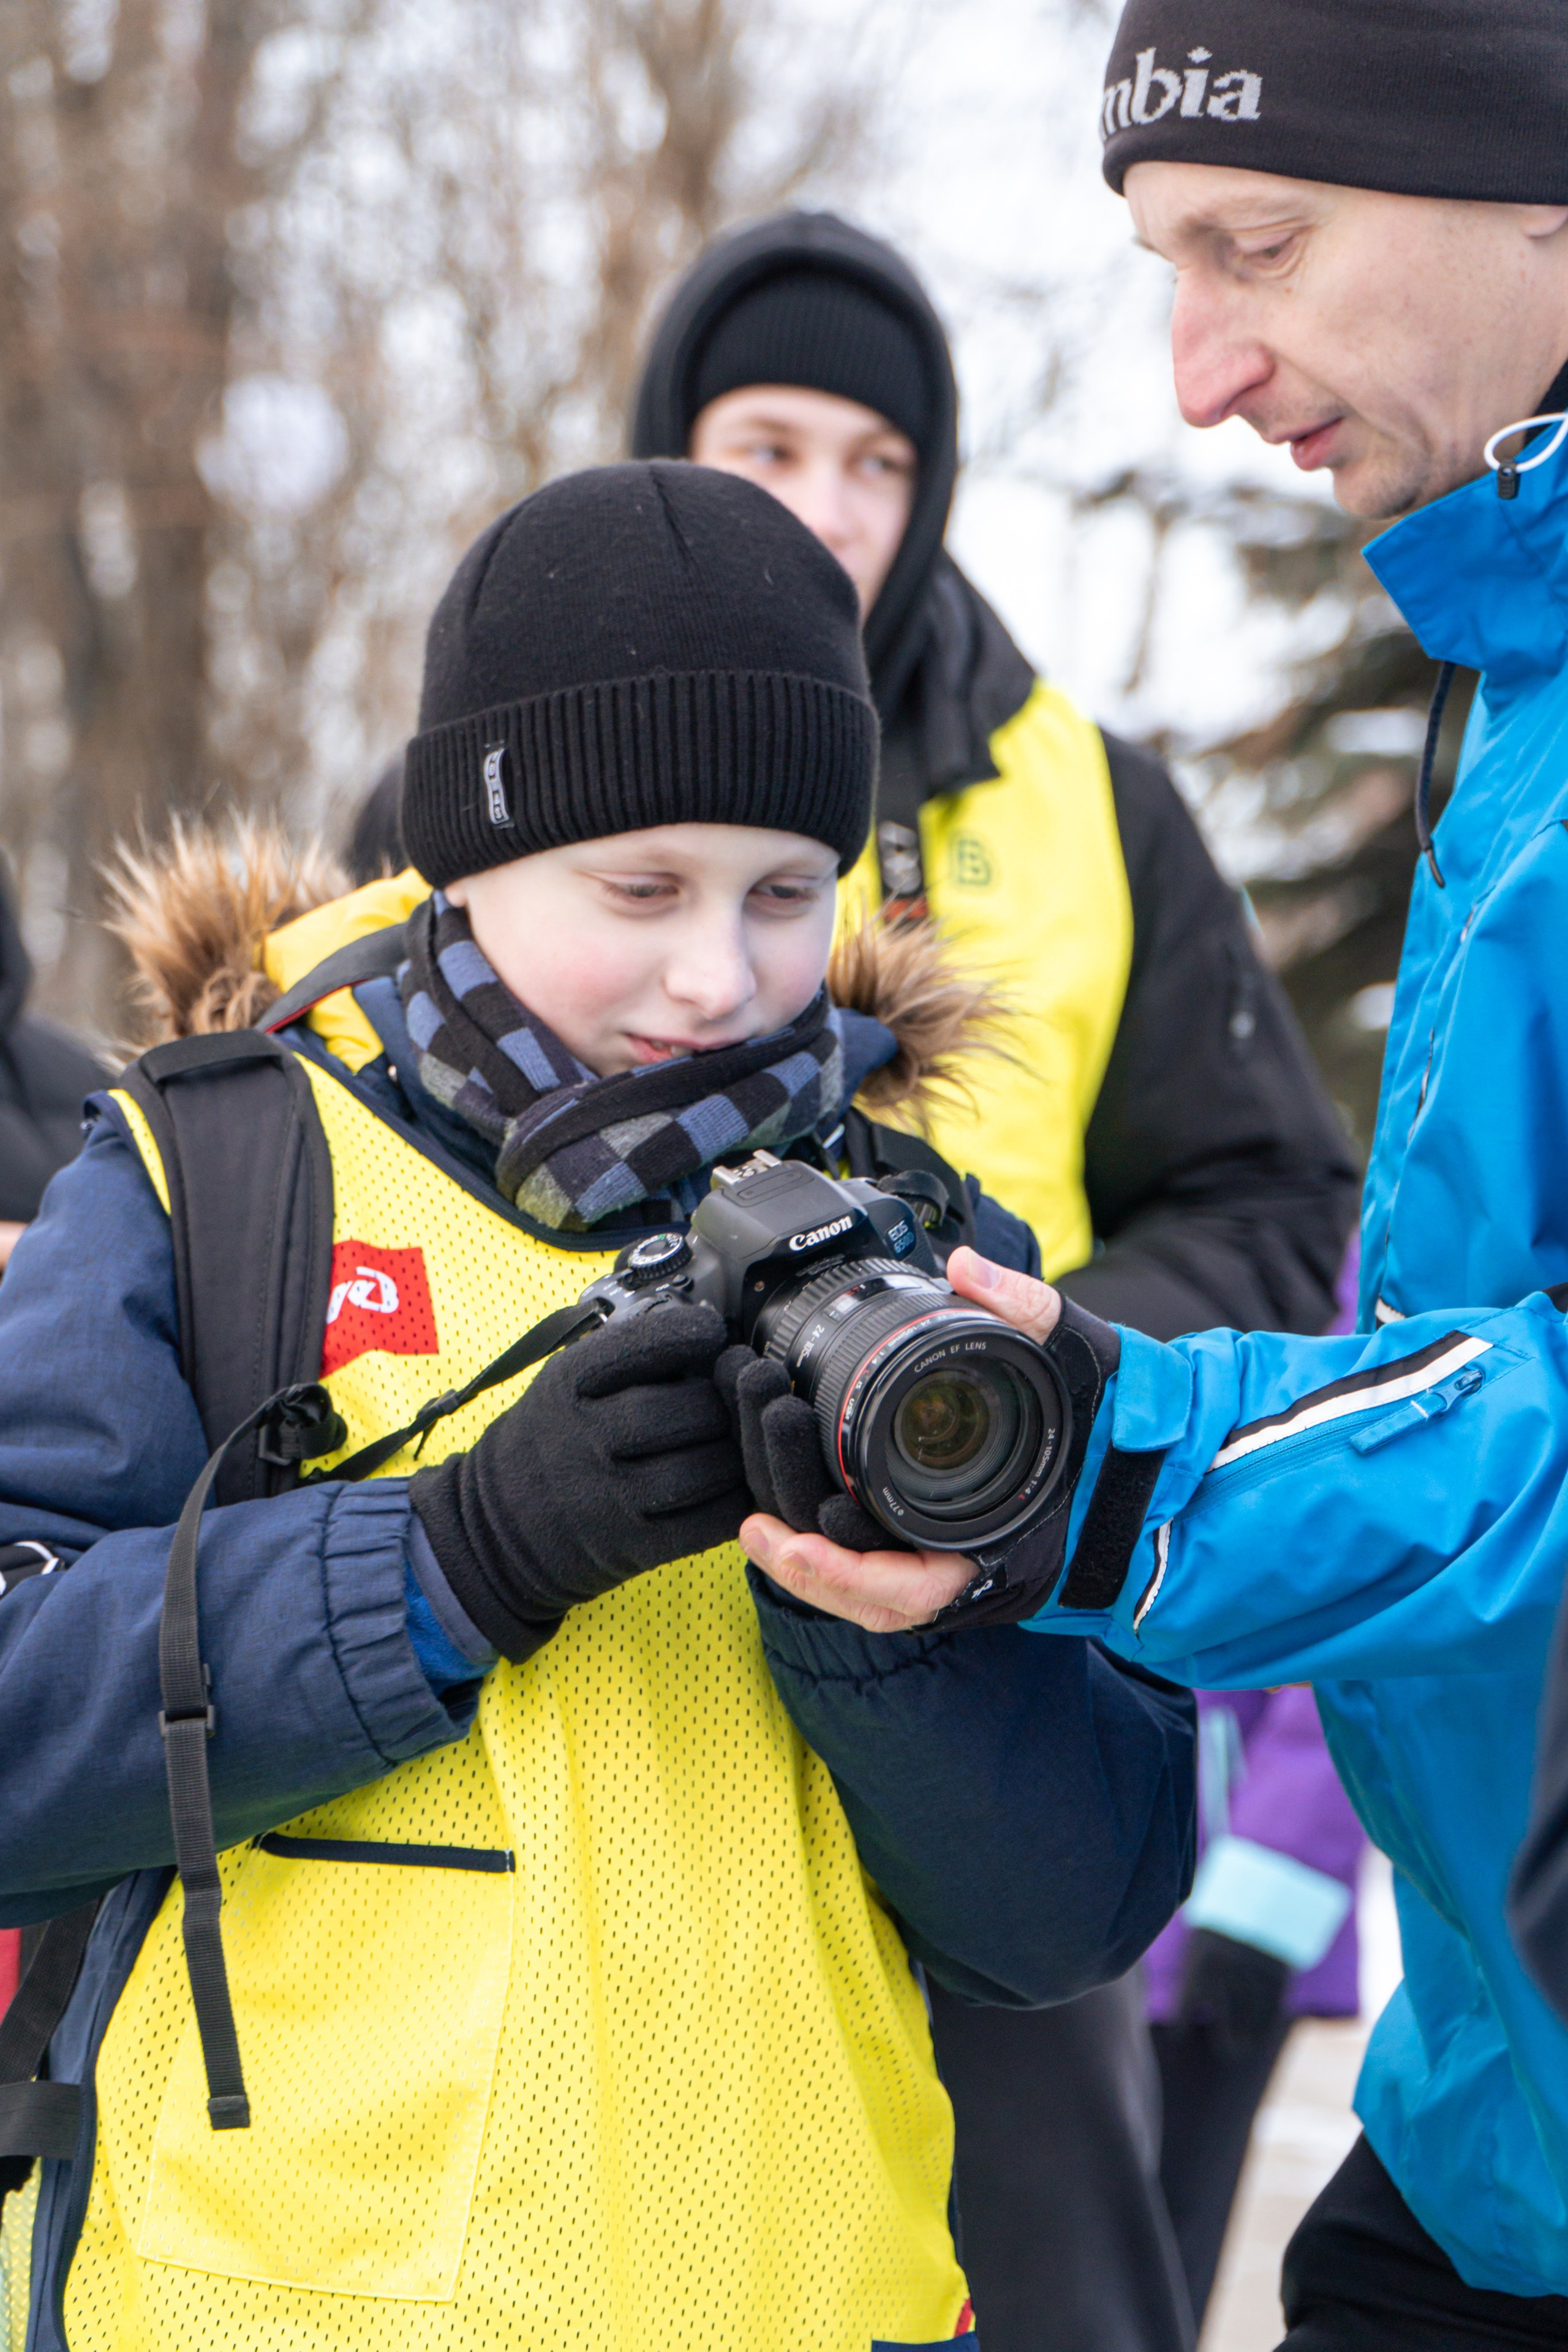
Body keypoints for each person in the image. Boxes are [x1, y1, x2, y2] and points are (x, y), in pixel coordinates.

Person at [0, 460, 1195, 2352]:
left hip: (807, 2306)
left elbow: (1075, 1912)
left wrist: (881, 1626)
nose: (718, 976)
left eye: (785, 892)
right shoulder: (213, 1177)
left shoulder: (931, 1250)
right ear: (463, 860)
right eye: (640, 888)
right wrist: (456, 1555)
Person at [733, 3, 1568, 2344]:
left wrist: (1112, 1459)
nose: (1197, 373)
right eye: (1164, 270)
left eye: (1259, 246)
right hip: (1489, 2129)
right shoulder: (1510, 666)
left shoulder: (1098, 794)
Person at [631, 210, 1356, 2352]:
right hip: (624, 1655)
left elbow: (1268, 1197)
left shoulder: (1087, 799)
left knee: (1060, 2286)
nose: (830, 510)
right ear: (670, 442)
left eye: (879, 461)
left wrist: (993, 1360)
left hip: (991, 1648)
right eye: (770, 448)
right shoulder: (516, 752)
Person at [1145, 1686, 1366, 2328]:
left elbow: (1345, 1683)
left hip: (1207, 1918)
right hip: (1047, 1901)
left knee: (1148, 2249)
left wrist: (1265, 1889)